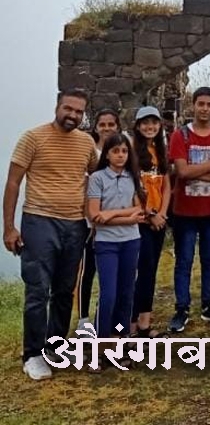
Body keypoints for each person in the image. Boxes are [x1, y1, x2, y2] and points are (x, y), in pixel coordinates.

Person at [3, 89, 97, 380]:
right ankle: (32, 354)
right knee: (38, 290)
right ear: (57, 107)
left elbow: (96, 176)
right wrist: (9, 227)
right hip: (39, 221)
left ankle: (55, 346)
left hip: (75, 224)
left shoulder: (86, 143)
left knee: (64, 290)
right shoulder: (33, 138)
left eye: (79, 112)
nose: (73, 115)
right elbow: (13, 182)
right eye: (68, 109)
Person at [168, 87, 210, 332]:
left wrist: (197, 172)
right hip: (185, 212)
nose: (204, 109)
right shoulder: (180, 135)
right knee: (184, 261)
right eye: (201, 104)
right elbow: (182, 171)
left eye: (209, 104)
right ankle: (181, 308)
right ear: (193, 105)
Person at [86, 134, 145, 370]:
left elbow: (139, 211)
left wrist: (111, 214)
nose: (120, 155)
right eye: (115, 151)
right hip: (107, 244)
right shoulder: (97, 178)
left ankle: (120, 344)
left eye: (124, 151)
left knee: (126, 294)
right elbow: (94, 215)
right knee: (108, 295)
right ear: (107, 154)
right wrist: (126, 217)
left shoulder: (132, 176)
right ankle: (100, 349)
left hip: (131, 241)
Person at [77, 108, 122, 333]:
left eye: (111, 124)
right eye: (102, 125)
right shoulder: (90, 152)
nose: (106, 129)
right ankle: (83, 320)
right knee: (88, 271)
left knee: (112, 273)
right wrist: (92, 221)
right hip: (92, 224)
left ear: (118, 126)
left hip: (116, 221)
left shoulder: (122, 151)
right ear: (95, 127)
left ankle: (106, 317)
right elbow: (85, 190)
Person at [130, 106, 171, 338]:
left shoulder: (159, 150)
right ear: (137, 126)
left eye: (154, 122)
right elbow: (132, 187)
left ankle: (144, 325)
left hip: (158, 220)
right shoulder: (131, 152)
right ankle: (130, 327)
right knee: (139, 273)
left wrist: (162, 213)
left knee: (151, 272)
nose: (150, 127)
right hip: (140, 221)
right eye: (145, 123)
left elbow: (167, 186)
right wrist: (150, 214)